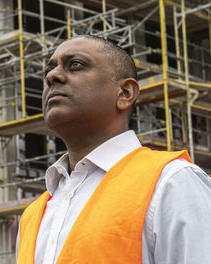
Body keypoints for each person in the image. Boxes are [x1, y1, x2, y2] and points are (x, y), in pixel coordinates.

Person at [16, 35, 211, 264]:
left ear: (125, 93)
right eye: (48, 71)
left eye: (75, 65)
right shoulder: (32, 216)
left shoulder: (171, 182)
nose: (52, 76)